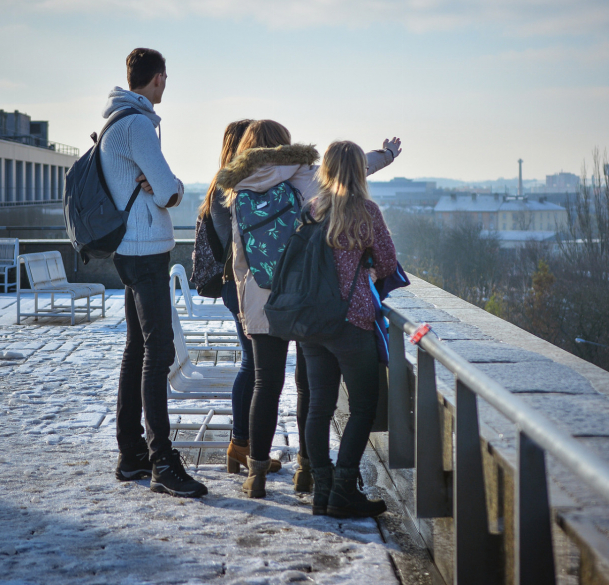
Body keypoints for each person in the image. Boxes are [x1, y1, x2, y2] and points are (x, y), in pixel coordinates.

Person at [215, 120, 401, 498]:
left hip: (258, 294)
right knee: (307, 387)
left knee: (265, 384)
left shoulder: (239, 186)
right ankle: (306, 471)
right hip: (303, 296)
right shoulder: (301, 175)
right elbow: (350, 168)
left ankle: (256, 476)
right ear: (283, 145)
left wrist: (245, 308)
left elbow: (238, 257)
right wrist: (387, 154)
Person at [104, 48, 207, 498]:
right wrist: (174, 186)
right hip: (145, 252)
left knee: (136, 348)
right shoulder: (138, 125)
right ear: (158, 79)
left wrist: (155, 184)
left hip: (127, 249)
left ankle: (131, 456)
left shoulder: (114, 122)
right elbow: (168, 190)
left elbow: (151, 185)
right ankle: (161, 461)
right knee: (158, 351)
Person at [300, 141, 396, 518]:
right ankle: (343, 489)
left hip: (313, 322)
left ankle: (321, 493)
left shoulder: (311, 209)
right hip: (353, 322)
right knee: (363, 408)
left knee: (318, 408)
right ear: (358, 170)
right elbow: (387, 261)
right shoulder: (365, 211)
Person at [195, 119, 296, 482]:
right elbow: (238, 245)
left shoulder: (226, 185)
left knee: (252, 366)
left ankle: (246, 445)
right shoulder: (232, 187)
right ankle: (242, 443)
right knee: (254, 368)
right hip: (240, 284)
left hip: (236, 284)